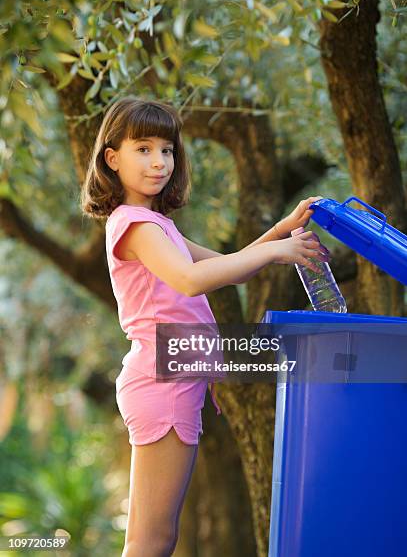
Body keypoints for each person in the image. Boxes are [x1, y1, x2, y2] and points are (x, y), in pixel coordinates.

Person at [80, 95, 330, 556]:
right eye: (144, 149)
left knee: (154, 539)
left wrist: (280, 230)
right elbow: (191, 280)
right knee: (151, 542)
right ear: (111, 159)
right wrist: (278, 251)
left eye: (168, 150)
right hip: (163, 380)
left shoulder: (157, 224)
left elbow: (231, 265)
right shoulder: (136, 226)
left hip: (172, 377)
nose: (159, 162)